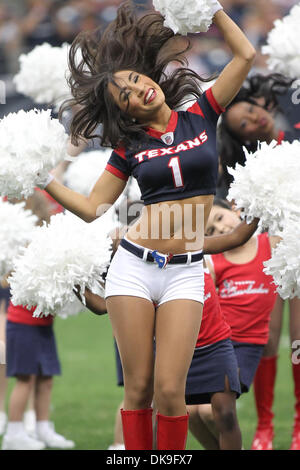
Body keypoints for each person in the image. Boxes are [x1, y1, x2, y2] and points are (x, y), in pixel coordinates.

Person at [40, 0, 256, 450]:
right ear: (127, 113)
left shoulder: (202, 110)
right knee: (138, 389)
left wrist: (210, 9)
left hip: (184, 270)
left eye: (138, 81)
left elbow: (245, 56)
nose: (140, 91)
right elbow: (94, 207)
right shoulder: (129, 147)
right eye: (127, 95)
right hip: (134, 268)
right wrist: (43, 179)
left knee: (170, 392)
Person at [217, 73, 300, 450]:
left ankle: (299, 425)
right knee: (267, 340)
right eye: (244, 125)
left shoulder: (294, 139)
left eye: (250, 110)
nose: (254, 119)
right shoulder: (245, 171)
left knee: (298, 341)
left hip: (298, 249)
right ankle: (265, 426)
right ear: (242, 139)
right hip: (266, 255)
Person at [204, 198, 282, 449]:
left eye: (219, 218)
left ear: (234, 209)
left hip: (247, 345)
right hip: (215, 344)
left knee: (214, 412)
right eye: (211, 232)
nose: (221, 230)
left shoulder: (270, 244)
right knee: (194, 413)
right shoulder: (213, 262)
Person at [1, 191, 75, 450]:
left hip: (42, 323)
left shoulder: (43, 239)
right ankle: (14, 433)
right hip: (22, 323)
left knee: (46, 378)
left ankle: (43, 428)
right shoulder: (19, 242)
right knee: (25, 379)